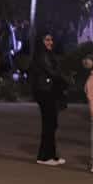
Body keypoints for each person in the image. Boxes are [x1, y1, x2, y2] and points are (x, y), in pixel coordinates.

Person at [28, 33, 68, 165]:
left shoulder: (47, 54)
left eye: (51, 39)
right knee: (49, 123)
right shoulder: (42, 55)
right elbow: (52, 72)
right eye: (47, 40)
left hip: (49, 91)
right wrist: (66, 79)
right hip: (44, 92)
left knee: (52, 123)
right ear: (41, 41)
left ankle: (49, 154)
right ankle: (45, 157)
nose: (50, 42)